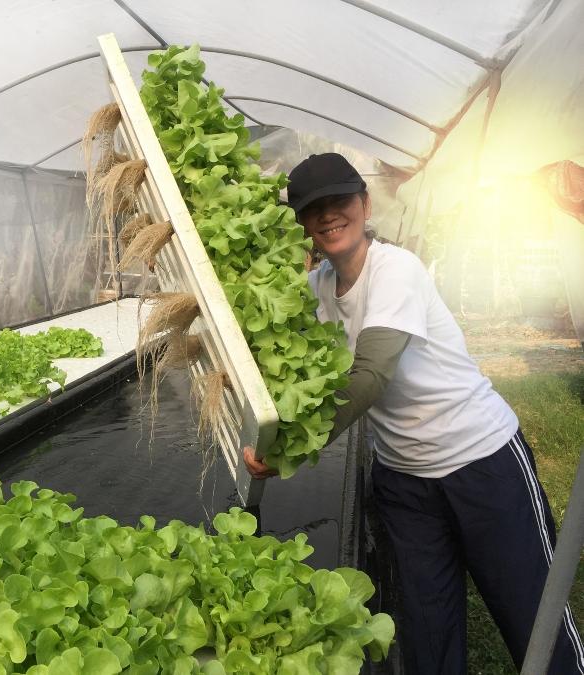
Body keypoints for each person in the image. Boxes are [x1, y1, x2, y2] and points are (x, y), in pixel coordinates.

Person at [242, 153, 584, 674]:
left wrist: (291, 445)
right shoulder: (315, 293)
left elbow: (372, 373)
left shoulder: (395, 268)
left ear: (365, 204)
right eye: (314, 209)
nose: (329, 216)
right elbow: (282, 370)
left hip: (481, 461)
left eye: (340, 201)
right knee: (427, 634)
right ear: (303, 224)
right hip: (405, 482)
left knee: (534, 618)